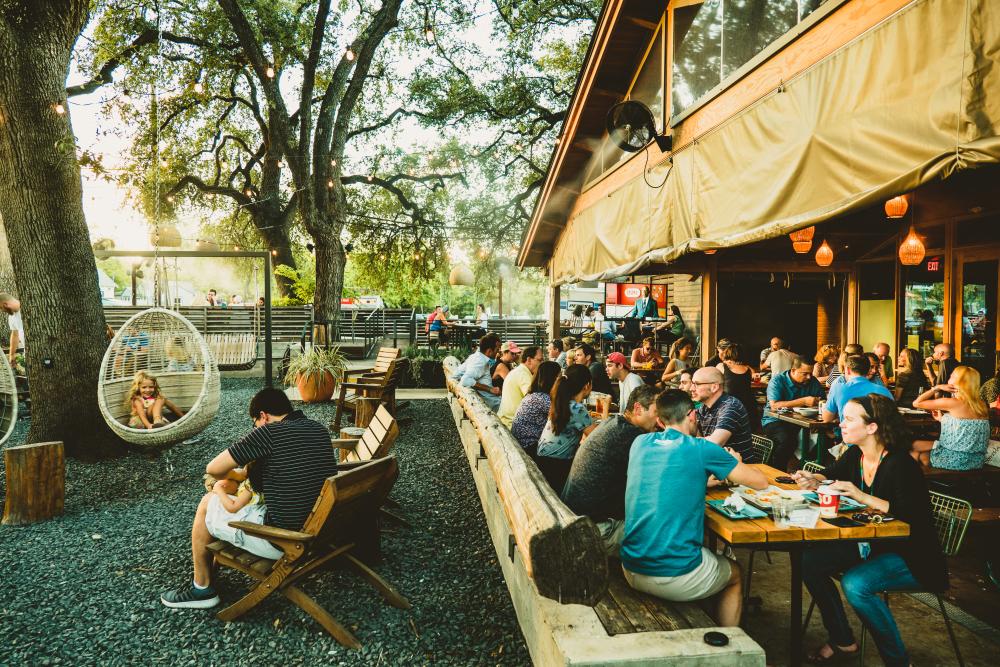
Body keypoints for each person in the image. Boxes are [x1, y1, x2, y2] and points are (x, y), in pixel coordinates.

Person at [793, 394, 947, 665]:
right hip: (873, 544)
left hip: (914, 556)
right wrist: (813, 478)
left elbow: (909, 516)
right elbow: (832, 472)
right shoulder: (857, 454)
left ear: (872, 427)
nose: (841, 423)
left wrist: (860, 496)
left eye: (850, 419)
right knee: (809, 562)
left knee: (857, 584)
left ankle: (897, 661)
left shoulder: (900, 464)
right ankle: (843, 640)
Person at [160, 388, 338, 608]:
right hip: (323, 530)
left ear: (263, 416)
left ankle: (202, 588)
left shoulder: (269, 433)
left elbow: (213, 468)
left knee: (208, 502)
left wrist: (229, 479)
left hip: (286, 540)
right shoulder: (317, 428)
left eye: (255, 423)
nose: (255, 428)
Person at [621, 390, 768, 627]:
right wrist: (738, 462)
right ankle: (732, 647)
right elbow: (760, 482)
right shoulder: (702, 448)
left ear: (660, 421)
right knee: (736, 574)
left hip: (632, 566)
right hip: (674, 574)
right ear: (692, 415)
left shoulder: (639, 443)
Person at [562, 385, 660, 555]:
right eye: (657, 412)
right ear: (638, 409)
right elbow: (656, 481)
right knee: (667, 529)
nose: (661, 419)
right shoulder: (632, 437)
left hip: (575, 522)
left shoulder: (612, 423)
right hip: (595, 532)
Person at [911, 365, 989, 469]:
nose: (949, 378)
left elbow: (916, 403)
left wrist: (937, 388)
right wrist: (942, 419)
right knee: (917, 448)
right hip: (976, 461)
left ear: (959, 381)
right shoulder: (982, 405)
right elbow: (967, 426)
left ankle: (914, 481)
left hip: (956, 459)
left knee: (913, 449)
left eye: (951, 376)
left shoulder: (952, 403)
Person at [536, 365, 597, 492]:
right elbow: (599, 438)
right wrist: (606, 408)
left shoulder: (562, 403)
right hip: (557, 467)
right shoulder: (577, 409)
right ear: (587, 385)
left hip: (543, 462)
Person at [762, 356, 825, 471]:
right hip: (774, 420)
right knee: (787, 440)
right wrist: (804, 401)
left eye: (810, 373)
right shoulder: (777, 381)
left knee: (825, 439)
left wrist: (819, 403)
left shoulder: (813, 381)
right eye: (805, 374)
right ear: (793, 371)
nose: (809, 377)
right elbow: (774, 405)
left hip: (804, 421)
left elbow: (823, 401)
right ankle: (777, 472)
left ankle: (807, 471)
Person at [691, 366, 754, 461]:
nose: (691, 388)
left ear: (714, 387)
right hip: (717, 464)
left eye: (696, 384)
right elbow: (697, 436)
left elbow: (715, 443)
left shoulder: (731, 406)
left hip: (738, 469)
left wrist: (684, 441)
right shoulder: (704, 407)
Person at [822, 354, 893, 425]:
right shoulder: (883, 390)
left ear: (848, 370)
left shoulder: (838, 388)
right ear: (867, 369)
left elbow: (827, 418)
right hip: (877, 434)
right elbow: (893, 419)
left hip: (850, 434)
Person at [511, 361, 561, 457]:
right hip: (529, 448)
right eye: (559, 377)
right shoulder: (543, 399)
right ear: (553, 378)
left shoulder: (534, 395)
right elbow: (566, 418)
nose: (561, 381)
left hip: (521, 444)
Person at [715, 342, 760, 434]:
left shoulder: (721, 366)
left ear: (727, 353)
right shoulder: (749, 369)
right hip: (748, 404)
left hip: (730, 404)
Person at [453, 333, 502, 410]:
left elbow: (456, 374)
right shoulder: (480, 361)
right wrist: (490, 389)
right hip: (494, 405)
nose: (498, 352)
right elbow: (465, 380)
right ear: (489, 351)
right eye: (497, 349)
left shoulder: (476, 357)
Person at [498, 345, 542, 427]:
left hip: (508, 421)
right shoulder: (523, 374)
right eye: (539, 360)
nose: (541, 364)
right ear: (529, 360)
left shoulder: (520, 371)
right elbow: (535, 401)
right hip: (512, 424)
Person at [606, 351, 644, 416]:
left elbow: (639, 408)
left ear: (620, 365)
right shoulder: (621, 381)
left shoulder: (633, 379)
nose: (606, 369)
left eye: (610, 366)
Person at [0, 292, 24, 367]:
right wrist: (11, 354)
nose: (2, 310)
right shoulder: (11, 317)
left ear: (5, 304)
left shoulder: (28, 308)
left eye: (0, 307)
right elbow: (14, 334)